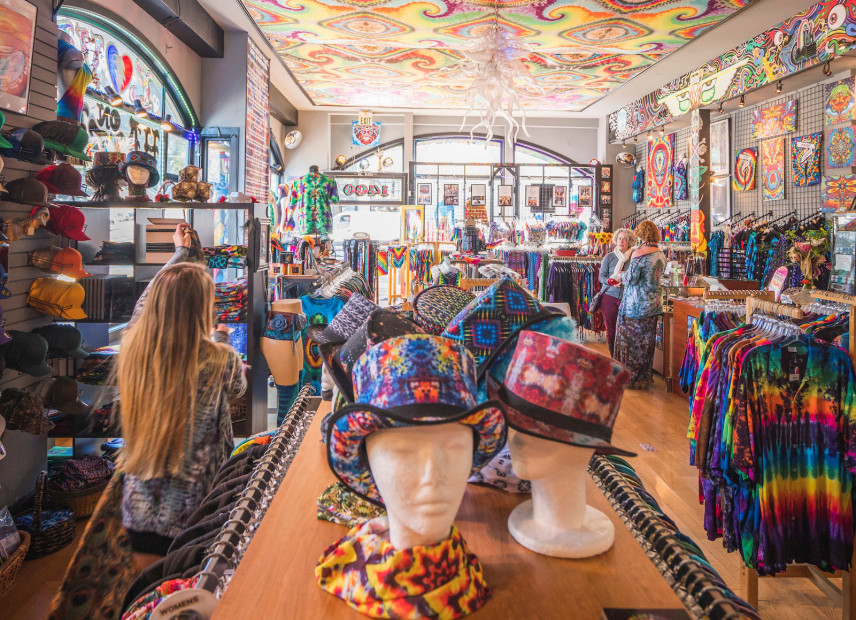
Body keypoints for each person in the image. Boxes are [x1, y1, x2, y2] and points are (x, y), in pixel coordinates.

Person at [119, 225, 246, 570]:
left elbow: (147, 303)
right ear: (200, 310)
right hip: (198, 510)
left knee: (150, 595)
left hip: (141, 508)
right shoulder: (220, 359)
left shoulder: (134, 351)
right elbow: (237, 391)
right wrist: (221, 338)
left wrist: (179, 254)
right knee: (192, 591)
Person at [613, 221, 666, 389]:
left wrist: (621, 275)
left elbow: (631, 279)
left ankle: (630, 378)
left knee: (630, 342)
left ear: (642, 235)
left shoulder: (638, 253)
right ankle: (644, 377)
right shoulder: (661, 254)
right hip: (654, 303)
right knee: (647, 342)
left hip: (635, 305)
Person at [597, 228, 635, 356]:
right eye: (619, 238)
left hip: (627, 298)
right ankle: (614, 357)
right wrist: (611, 282)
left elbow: (635, 277)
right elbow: (601, 277)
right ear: (615, 240)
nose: (622, 241)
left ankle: (625, 356)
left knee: (627, 329)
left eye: (625, 239)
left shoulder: (634, 257)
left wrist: (624, 280)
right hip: (609, 297)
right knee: (611, 329)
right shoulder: (609, 257)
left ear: (630, 242)